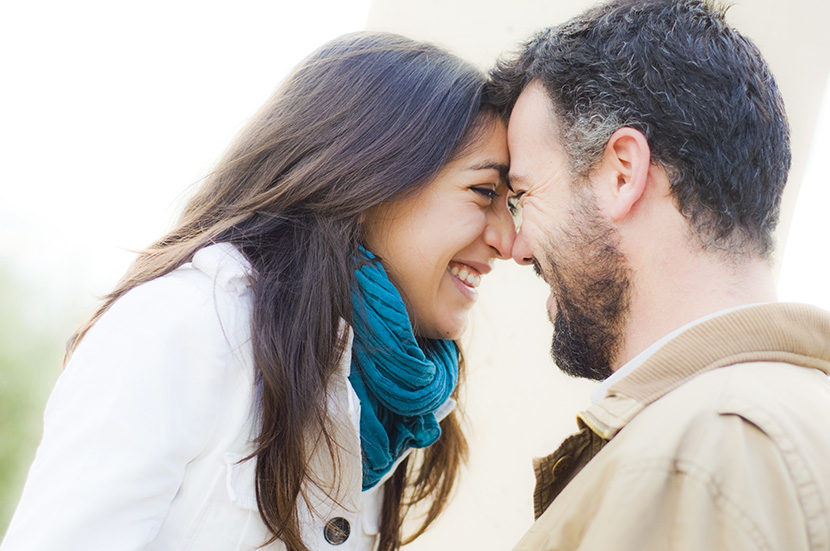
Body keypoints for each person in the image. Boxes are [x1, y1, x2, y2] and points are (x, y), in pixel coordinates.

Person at [1, 32, 515, 551]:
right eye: (483, 193)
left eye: (511, 203)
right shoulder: (183, 325)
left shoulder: (386, 390)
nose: (508, 240)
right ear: (369, 178)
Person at [488, 0, 830, 549]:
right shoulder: (796, 413)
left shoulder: (701, 455)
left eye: (525, 196)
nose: (518, 248)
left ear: (622, 174)